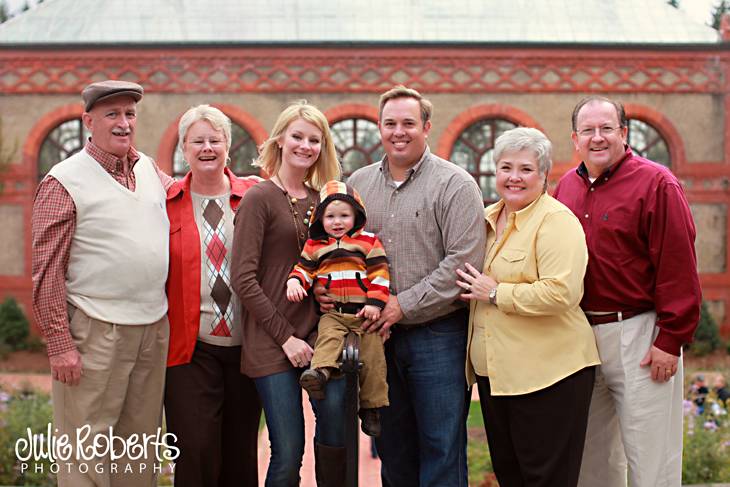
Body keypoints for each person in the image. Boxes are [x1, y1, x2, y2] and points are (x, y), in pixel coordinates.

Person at [553, 95, 702, 487]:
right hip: (580, 338)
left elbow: (679, 265)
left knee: (651, 460)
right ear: (575, 138)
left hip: (640, 335)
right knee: (591, 460)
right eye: (588, 130)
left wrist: (671, 340)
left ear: (623, 132)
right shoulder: (565, 188)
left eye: (607, 128)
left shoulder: (657, 183)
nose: (597, 138)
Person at [31, 80, 174, 486]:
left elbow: (190, 197)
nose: (124, 123)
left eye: (130, 114)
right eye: (112, 114)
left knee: (138, 450)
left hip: (151, 328)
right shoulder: (64, 180)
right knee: (85, 450)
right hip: (95, 329)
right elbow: (46, 271)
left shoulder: (148, 168)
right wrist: (60, 345)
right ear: (88, 121)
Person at [345, 85, 487, 487]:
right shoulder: (359, 184)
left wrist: (400, 305)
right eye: (390, 123)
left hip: (438, 337)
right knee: (393, 451)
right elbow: (346, 251)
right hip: (379, 340)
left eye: (408, 123)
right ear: (379, 128)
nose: (399, 132)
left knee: (441, 450)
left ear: (426, 127)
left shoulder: (455, 184)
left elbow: (463, 262)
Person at [455, 127, 600, 487]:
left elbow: (562, 292)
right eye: (505, 168)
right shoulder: (487, 219)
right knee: (511, 477)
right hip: (497, 377)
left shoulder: (556, 221)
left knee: (545, 479)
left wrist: (496, 293)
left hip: (548, 376)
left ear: (544, 175)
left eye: (525, 169)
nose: (514, 177)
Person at [230, 100, 344, 487]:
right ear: (280, 140)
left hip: (318, 334)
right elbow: (243, 279)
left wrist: (330, 293)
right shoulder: (258, 198)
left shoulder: (323, 201)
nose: (305, 146)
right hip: (271, 340)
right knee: (288, 450)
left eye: (315, 139)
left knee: (334, 437)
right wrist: (286, 338)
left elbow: (328, 264)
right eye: (297, 136)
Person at [164, 104, 262, 487]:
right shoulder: (166, 202)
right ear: (184, 149)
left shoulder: (254, 196)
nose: (207, 148)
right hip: (191, 350)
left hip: (247, 349)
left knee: (240, 456)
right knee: (195, 451)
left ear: (228, 146)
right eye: (197, 141)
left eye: (214, 140)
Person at [287, 180, 390, 438]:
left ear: (356, 216)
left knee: (374, 357)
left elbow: (380, 274)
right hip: (334, 313)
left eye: (344, 215)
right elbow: (304, 269)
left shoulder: (367, 242)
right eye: (330, 216)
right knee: (327, 339)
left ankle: (371, 407)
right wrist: (294, 282)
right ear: (320, 219)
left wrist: (376, 304)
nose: (337, 222)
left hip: (363, 312)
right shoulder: (315, 246)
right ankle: (319, 374)